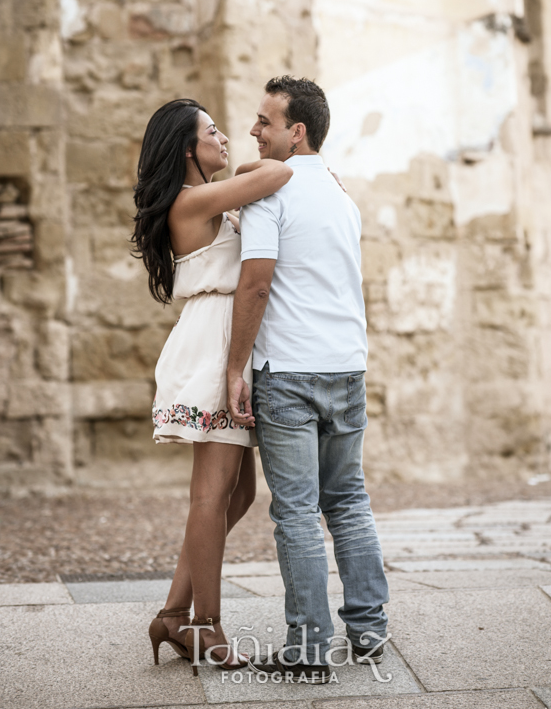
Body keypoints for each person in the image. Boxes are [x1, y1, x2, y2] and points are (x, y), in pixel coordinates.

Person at [225, 76, 389, 685]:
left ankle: (308, 647)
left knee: (295, 511)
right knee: (347, 499)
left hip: (289, 372)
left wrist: (235, 366)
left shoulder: (270, 197)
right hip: (347, 365)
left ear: (297, 131)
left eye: (265, 121)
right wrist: (263, 162)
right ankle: (369, 628)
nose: (253, 129)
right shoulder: (342, 198)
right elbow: (262, 166)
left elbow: (257, 282)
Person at [132, 98, 292, 675]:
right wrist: (256, 166)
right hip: (211, 349)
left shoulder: (206, 202)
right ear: (185, 148)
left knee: (240, 493)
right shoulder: (192, 199)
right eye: (213, 132)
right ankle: (205, 623)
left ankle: (175, 612)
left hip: (225, 343)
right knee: (211, 492)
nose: (226, 139)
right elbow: (279, 170)